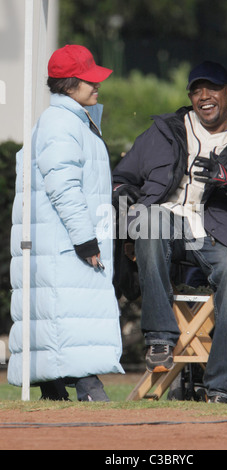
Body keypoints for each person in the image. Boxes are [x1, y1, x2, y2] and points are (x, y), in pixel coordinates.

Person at [112, 61, 227, 404]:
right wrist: (122, 194)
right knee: (149, 221)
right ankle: (161, 338)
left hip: (220, 232)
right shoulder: (165, 129)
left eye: (212, 88)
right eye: (196, 89)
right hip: (167, 226)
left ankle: (222, 388)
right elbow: (123, 177)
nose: (203, 96)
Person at [8, 45, 123, 401]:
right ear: (70, 84)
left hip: (58, 239)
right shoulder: (62, 123)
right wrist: (85, 239)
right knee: (71, 313)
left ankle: (55, 388)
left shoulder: (64, 120)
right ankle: (88, 386)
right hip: (66, 241)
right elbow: (63, 186)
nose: (97, 85)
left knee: (57, 314)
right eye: (90, 79)